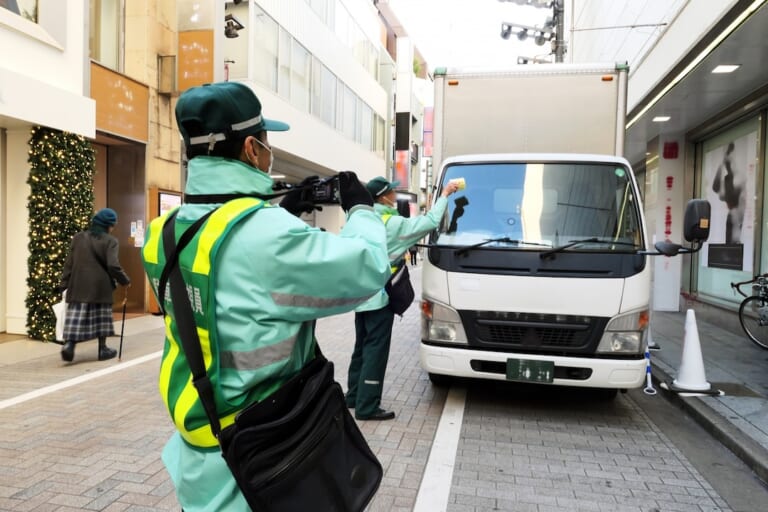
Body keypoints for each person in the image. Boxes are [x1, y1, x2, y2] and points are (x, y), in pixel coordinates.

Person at [141, 81, 390, 512]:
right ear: (253, 149)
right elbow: (367, 268)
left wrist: (276, 211)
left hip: (201, 452)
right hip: (265, 457)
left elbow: (231, 289)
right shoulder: (268, 237)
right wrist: (363, 209)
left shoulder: (162, 232)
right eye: (267, 143)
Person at [346, 176, 460, 421]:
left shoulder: (358, 221)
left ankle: (354, 396)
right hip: (380, 297)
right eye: (392, 192)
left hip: (359, 296)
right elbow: (429, 222)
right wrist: (444, 196)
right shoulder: (391, 223)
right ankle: (367, 406)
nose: (395, 195)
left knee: (361, 347)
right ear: (383, 197)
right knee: (376, 349)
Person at [59, 208, 131, 362]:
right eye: (113, 225)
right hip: (101, 286)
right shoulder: (110, 241)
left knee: (76, 316)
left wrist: (64, 283)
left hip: (78, 284)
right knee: (101, 317)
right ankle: (102, 349)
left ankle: (69, 346)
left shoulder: (78, 238)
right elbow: (113, 265)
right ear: (108, 225)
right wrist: (125, 280)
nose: (113, 228)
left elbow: (69, 264)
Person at [712, 141, 746, 244]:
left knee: (735, 239)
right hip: (732, 214)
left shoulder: (739, 178)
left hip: (737, 214)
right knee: (730, 240)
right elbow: (716, 188)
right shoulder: (728, 178)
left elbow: (729, 195)